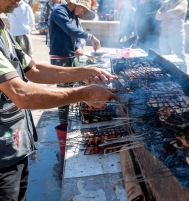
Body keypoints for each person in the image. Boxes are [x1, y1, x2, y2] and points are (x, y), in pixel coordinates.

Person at [0, 0, 117, 200]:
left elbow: (34, 70)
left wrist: (83, 72)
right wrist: (84, 94)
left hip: (15, 145)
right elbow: (21, 94)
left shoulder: (3, 30)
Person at [49, 0, 100, 123]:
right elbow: (69, 29)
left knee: (74, 87)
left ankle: (72, 118)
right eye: (83, 8)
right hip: (61, 57)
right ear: (75, 3)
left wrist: (79, 47)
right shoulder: (59, 11)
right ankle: (63, 121)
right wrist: (91, 37)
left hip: (72, 57)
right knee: (64, 91)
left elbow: (76, 35)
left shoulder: (74, 16)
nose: (82, 11)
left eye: (85, 11)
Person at [155, 0, 188, 73]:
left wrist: (163, 14)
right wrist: (167, 15)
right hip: (164, 34)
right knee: (165, 58)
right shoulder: (166, 2)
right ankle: (168, 77)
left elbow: (173, 13)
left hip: (176, 34)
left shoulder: (182, 2)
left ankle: (185, 79)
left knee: (180, 58)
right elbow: (157, 16)